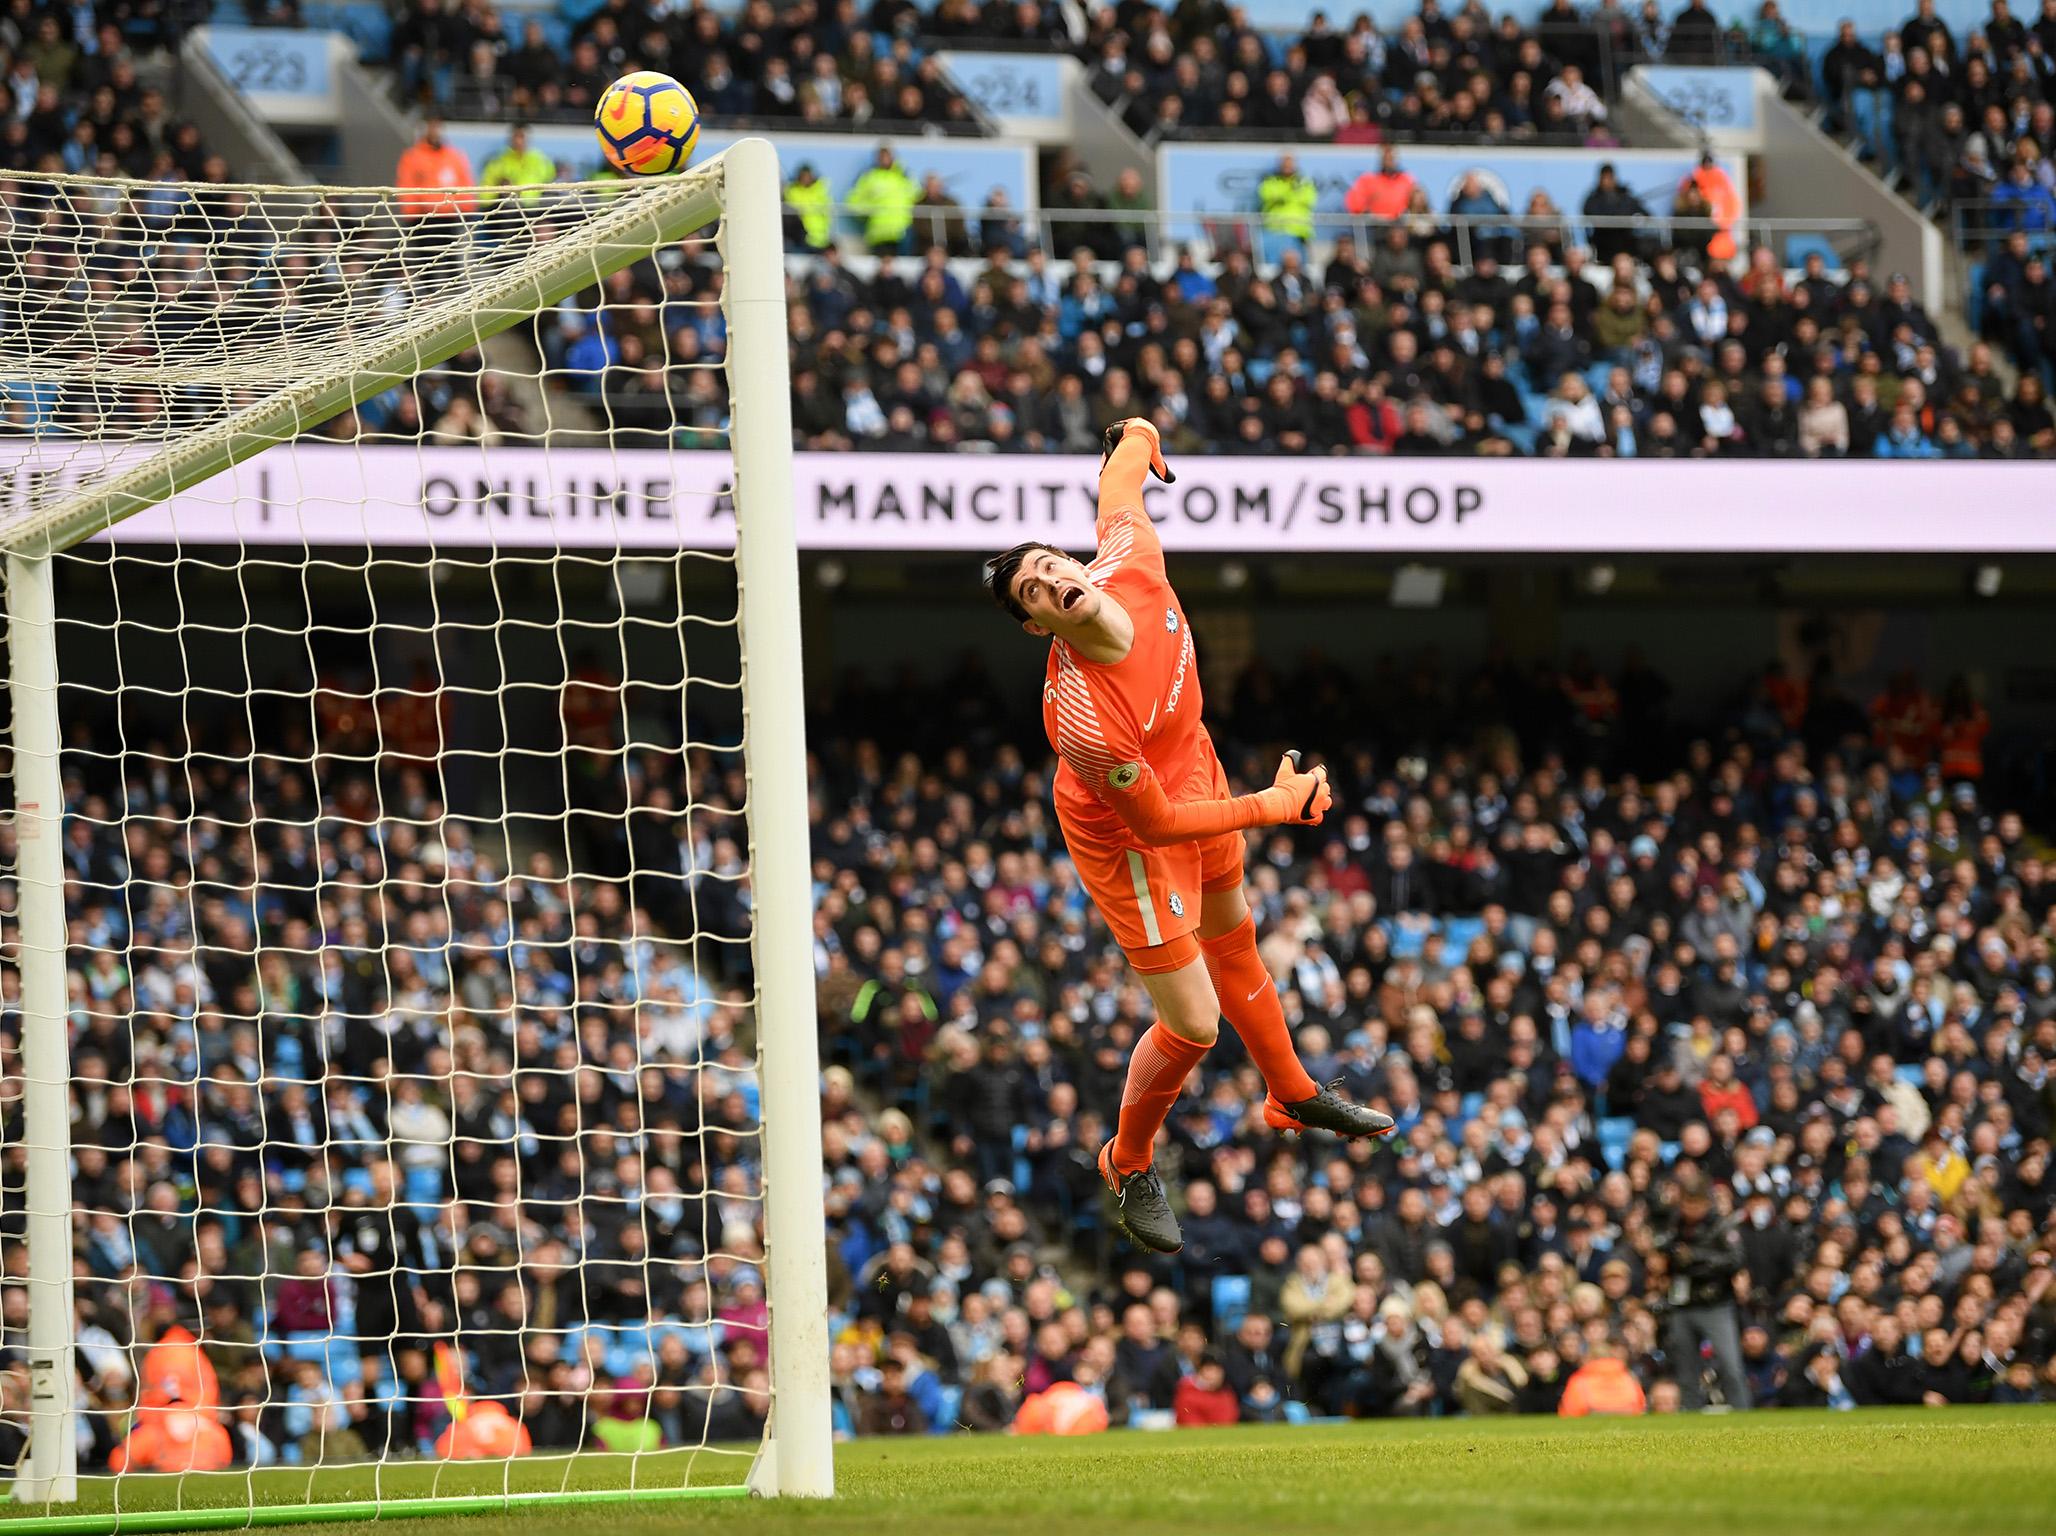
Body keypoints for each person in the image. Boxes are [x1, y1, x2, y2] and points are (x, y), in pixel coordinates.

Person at [982, 419, 1393, 1252]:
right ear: (1037, 626)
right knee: (1197, 1024)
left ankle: (1292, 1092)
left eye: (1050, 564)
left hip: (1195, 771)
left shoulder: (1129, 557)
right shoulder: (1083, 720)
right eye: (1032, 589)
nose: (1051, 579)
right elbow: (1159, 824)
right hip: (1127, 835)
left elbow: (1120, 483)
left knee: (1235, 936)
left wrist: (1139, 433)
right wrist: (1272, 807)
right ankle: (1128, 1159)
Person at [1659, 1171, 1753, 1410]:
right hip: (1683, 1303)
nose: (1690, 1208)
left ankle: (1744, 1414)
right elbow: (1668, 1255)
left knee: (1731, 1366)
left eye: (1695, 1202)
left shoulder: (1721, 1225)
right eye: (1686, 1202)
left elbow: (1735, 1260)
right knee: (1686, 1370)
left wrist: (1695, 1258)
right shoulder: (1675, 1224)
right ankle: (1689, 1422)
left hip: (1715, 1304)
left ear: (1706, 1202)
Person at [394, 115, 475, 222]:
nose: (435, 130)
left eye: (437, 126)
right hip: (423, 218)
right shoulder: (412, 156)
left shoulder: (454, 156)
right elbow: (406, 185)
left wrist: (467, 209)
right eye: (431, 126)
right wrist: (412, 212)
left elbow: (464, 184)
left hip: (452, 217)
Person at [847, 145, 920, 254]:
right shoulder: (869, 176)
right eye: (881, 157)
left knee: (904, 266)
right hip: (878, 233)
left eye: (887, 156)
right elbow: (853, 202)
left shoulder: (905, 175)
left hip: (902, 232)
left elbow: (918, 197)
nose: (885, 159)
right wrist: (870, 208)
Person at [478, 123, 553, 208]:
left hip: (535, 209)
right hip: (506, 208)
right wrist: (499, 190)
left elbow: (551, 186)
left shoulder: (542, 161)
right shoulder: (497, 161)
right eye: (515, 136)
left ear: (528, 138)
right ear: (510, 138)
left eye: (522, 136)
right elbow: (484, 196)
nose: (518, 141)